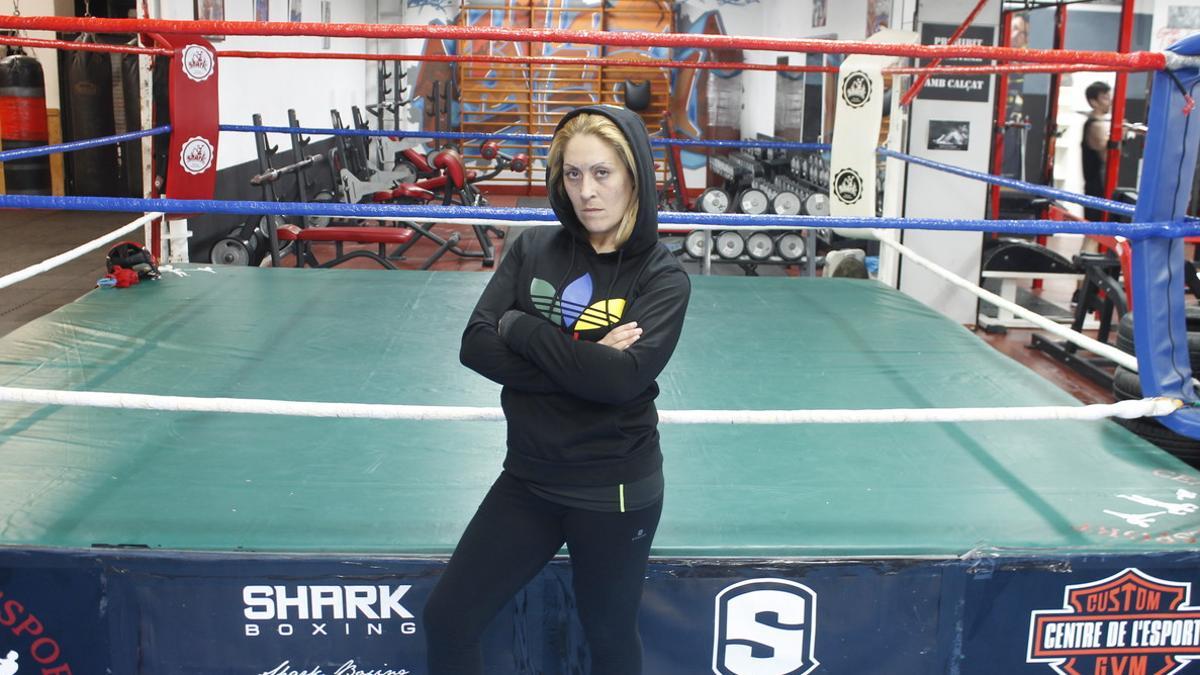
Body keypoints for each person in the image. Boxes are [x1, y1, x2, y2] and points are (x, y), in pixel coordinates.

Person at [423, 105, 691, 674]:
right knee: (448, 619)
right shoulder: (532, 249)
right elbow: (475, 345)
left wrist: (520, 328)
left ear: (634, 176)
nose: (586, 192)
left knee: (609, 639)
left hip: (614, 488)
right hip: (530, 477)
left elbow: (620, 382)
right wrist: (584, 366)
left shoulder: (662, 277)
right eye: (573, 174)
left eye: (602, 173)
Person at [1082, 81, 1112, 221]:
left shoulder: (1098, 123)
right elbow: (1107, 158)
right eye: (1105, 98)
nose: (1109, 102)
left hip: (1099, 186)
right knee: (1094, 235)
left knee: (1098, 235)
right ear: (1093, 102)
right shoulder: (1096, 125)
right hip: (1097, 188)